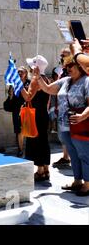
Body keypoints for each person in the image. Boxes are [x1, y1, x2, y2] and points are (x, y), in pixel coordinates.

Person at [33, 59, 89, 196]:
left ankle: (87, 184)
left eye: (71, 65)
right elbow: (47, 89)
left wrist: (82, 116)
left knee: (84, 154)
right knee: (74, 155)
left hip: (80, 123)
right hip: (64, 125)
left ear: (80, 66)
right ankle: (77, 181)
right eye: (66, 66)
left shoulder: (87, 81)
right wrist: (38, 76)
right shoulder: (65, 81)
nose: (68, 68)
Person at [21, 55, 51, 182]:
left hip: (35, 115)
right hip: (43, 113)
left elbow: (28, 97)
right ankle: (45, 168)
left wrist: (19, 85)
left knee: (36, 140)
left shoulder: (35, 80)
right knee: (43, 140)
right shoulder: (46, 80)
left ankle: (40, 170)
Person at [5, 66, 30, 157]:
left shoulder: (29, 83)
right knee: (19, 131)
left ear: (26, 74)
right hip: (16, 110)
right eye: (18, 72)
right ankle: (20, 149)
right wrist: (10, 94)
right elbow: (10, 99)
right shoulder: (13, 84)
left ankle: (29, 149)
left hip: (27, 110)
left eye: (21, 72)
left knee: (28, 130)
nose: (19, 73)